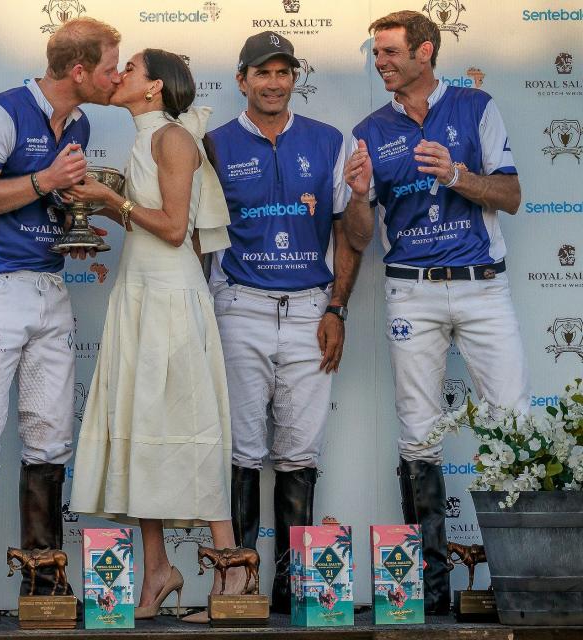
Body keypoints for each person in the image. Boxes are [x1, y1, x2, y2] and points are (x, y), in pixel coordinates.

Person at [345, 10, 528, 614]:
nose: (382, 62)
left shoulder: (476, 107)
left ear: (426, 51)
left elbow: (512, 195)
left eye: (392, 52)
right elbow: (360, 233)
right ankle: (428, 590)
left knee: (511, 423)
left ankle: (519, 577)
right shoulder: (369, 128)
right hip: (411, 291)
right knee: (418, 431)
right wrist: (358, 195)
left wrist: (460, 176)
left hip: (481, 288)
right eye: (377, 54)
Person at [0, 17, 122, 623]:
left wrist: (70, 216)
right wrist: (46, 180)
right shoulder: (0, 112)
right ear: (79, 71)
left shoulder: (79, 121)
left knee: (50, 435)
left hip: (51, 288)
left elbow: (46, 199)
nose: (116, 77)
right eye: (109, 68)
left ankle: (43, 585)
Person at [67, 49, 238, 623]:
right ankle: (158, 569)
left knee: (193, 425)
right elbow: (150, 221)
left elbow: (171, 228)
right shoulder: (145, 139)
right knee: (142, 424)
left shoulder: (172, 140)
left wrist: (110, 199)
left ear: (154, 88)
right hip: (138, 293)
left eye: (130, 70)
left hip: (169, 298)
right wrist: (103, 203)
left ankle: (232, 567)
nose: (118, 77)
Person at [205, 31, 363, 615]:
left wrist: (338, 309)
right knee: (242, 452)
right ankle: (239, 593)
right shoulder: (213, 144)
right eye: (262, 73)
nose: (274, 83)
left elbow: (353, 232)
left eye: (283, 72)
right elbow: (199, 239)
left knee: (300, 453)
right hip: (239, 307)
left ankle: (296, 591)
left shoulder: (328, 141)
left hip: (309, 310)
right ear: (242, 80)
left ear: (295, 77)